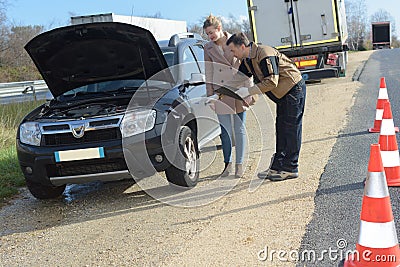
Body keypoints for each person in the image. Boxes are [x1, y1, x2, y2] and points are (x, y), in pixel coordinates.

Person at [226, 32, 306, 181]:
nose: (232, 54)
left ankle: (290, 168)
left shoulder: (264, 53)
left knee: (291, 129)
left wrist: (249, 91)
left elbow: (272, 82)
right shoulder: (248, 59)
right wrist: (218, 93)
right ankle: (277, 167)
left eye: (233, 50)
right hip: (283, 95)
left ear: (242, 46)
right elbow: (237, 80)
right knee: (281, 129)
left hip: (293, 89)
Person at [203, 15, 252, 178]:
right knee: (224, 130)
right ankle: (227, 165)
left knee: (239, 129)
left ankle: (239, 165)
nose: (210, 36)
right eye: (207, 34)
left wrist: (249, 91)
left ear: (219, 28)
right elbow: (208, 72)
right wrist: (210, 96)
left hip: (238, 90)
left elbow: (246, 66)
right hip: (220, 93)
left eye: (211, 32)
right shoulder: (208, 48)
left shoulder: (235, 40)